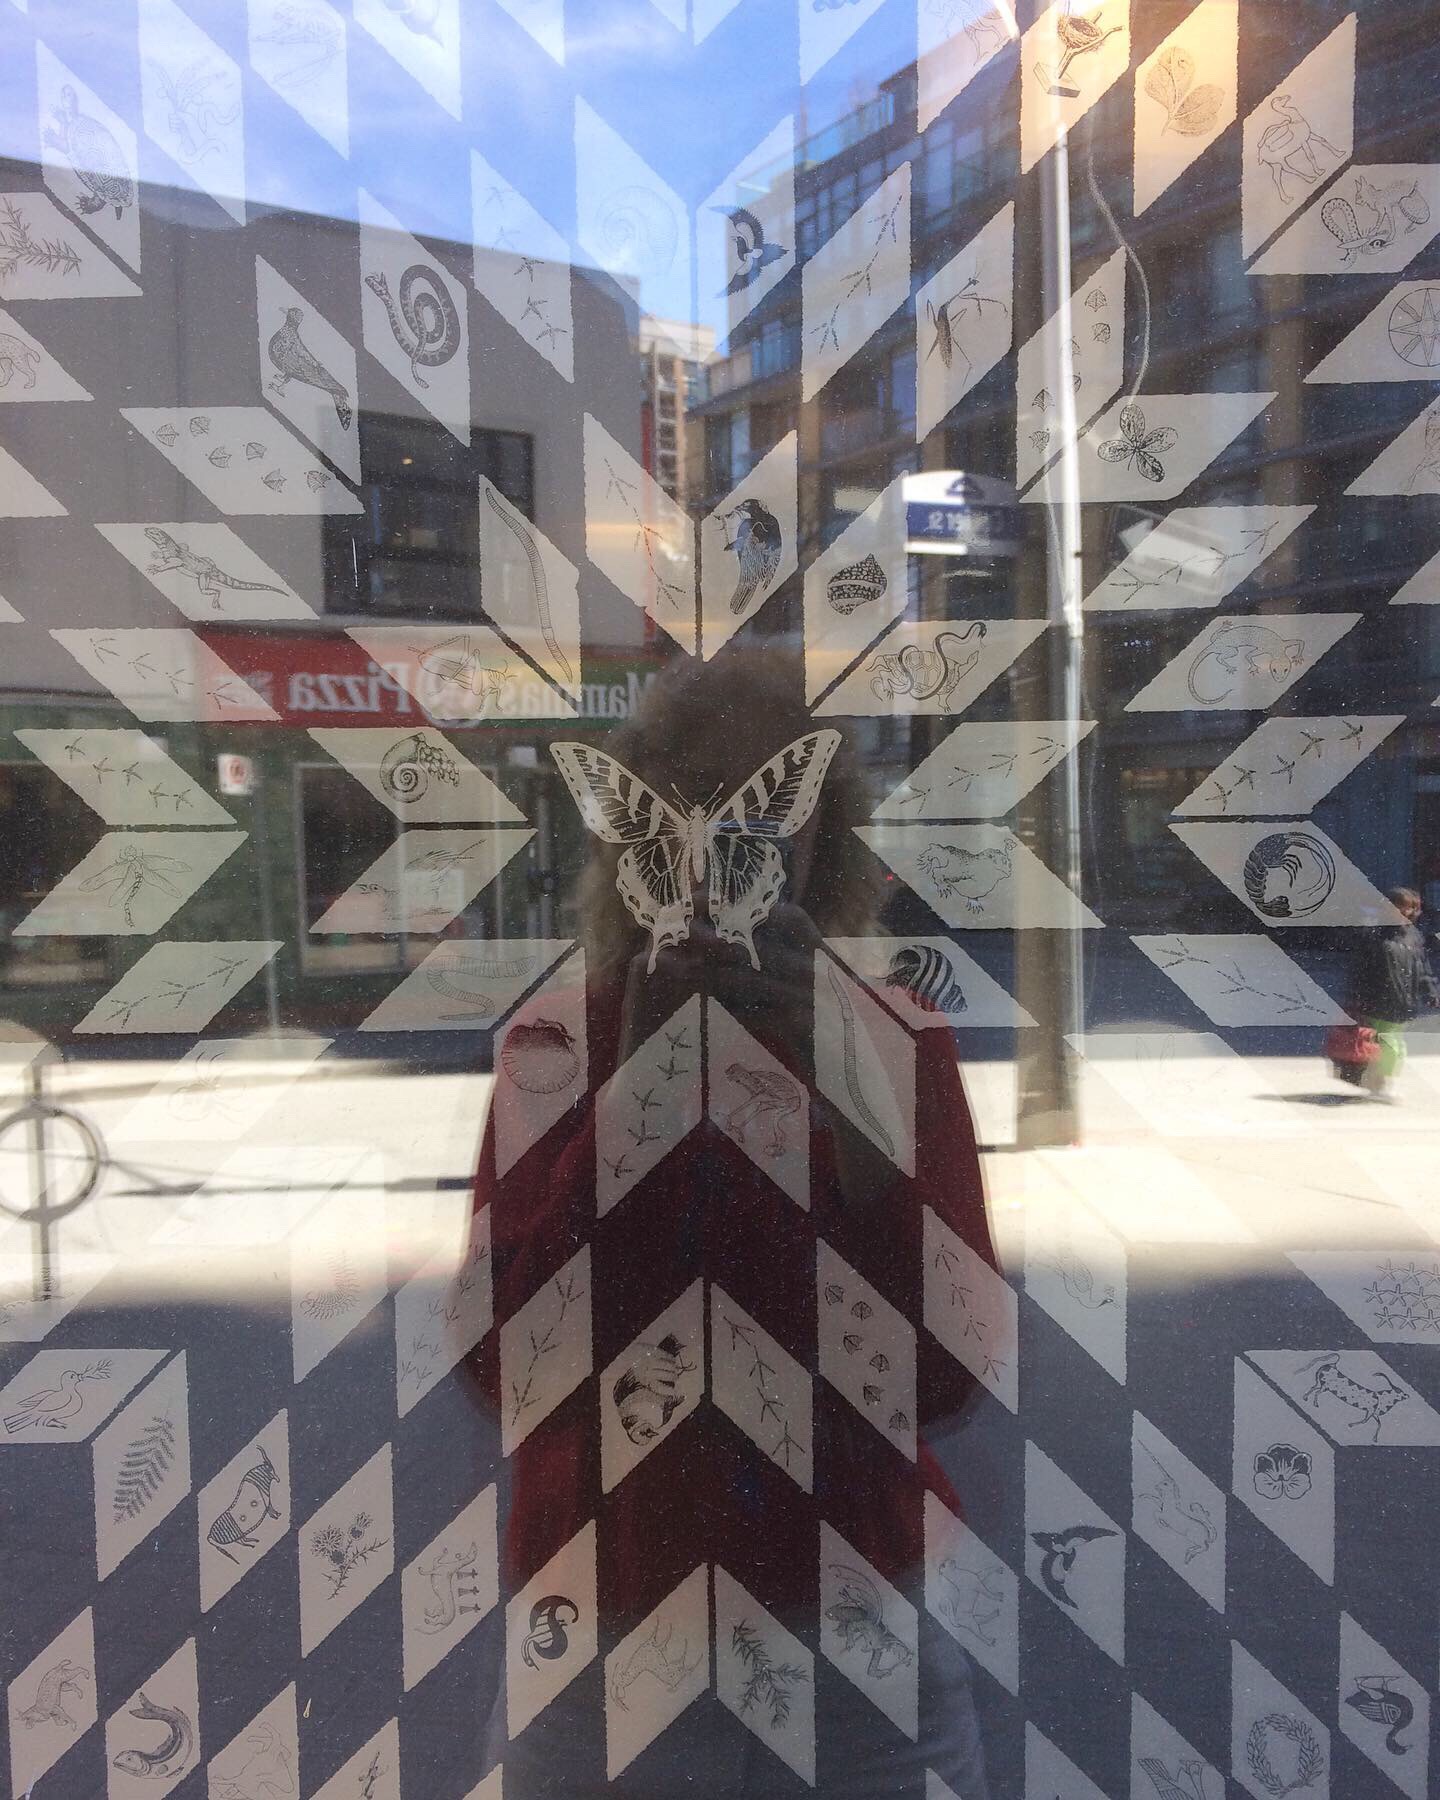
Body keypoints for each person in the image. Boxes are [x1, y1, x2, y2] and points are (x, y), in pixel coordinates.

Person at [463, 650, 999, 1800]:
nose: (714, 854)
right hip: (615, 1616)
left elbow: (946, 1379)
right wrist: (637, 1099)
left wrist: (846, 1086)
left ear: (822, 844)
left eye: (762, 811)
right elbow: (506, 1368)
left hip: (849, 1612)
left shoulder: (890, 1048)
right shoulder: (558, 1053)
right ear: (629, 845)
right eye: (683, 809)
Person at [1340, 886, 1438, 1098]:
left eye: (1413, 908)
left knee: (1392, 1044)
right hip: (1376, 1001)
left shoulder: (1414, 937)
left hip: (1403, 1003)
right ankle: (1379, 1082)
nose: (1408, 913)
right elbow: (1360, 969)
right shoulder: (1373, 936)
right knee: (1386, 1043)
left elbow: (1422, 969)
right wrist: (1354, 996)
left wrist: (1431, 993)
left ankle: (1378, 1079)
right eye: (1402, 907)